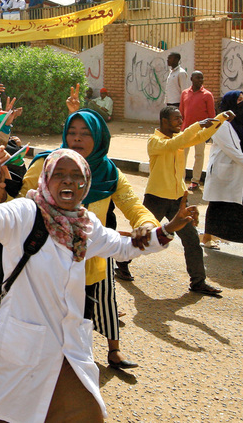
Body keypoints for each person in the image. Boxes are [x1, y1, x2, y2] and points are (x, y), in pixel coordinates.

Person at [0, 146, 194, 422]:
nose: (68, 181)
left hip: (67, 347)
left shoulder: (86, 225)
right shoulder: (26, 212)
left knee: (85, 413)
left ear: (86, 182)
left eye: (76, 175)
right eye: (59, 174)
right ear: (46, 179)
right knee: (8, 416)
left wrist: (167, 230)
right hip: (26, 343)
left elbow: (122, 247)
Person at [21, 105, 159, 369]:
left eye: (85, 133)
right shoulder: (45, 164)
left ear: (99, 137)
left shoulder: (110, 173)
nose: (76, 139)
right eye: (72, 132)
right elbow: (18, 204)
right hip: (42, 268)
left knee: (75, 336)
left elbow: (133, 206)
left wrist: (146, 225)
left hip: (88, 270)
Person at [144, 106, 227, 296]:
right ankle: (122, 263)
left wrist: (220, 119)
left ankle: (198, 282)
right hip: (156, 198)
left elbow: (198, 137)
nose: (180, 122)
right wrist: (197, 124)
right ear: (164, 121)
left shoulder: (177, 139)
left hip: (178, 201)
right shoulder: (154, 141)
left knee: (191, 240)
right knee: (143, 236)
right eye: (176, 119)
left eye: (181, 119)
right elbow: (177, 142)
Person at [202, 91, 243, 278]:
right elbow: (232, 151)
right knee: (218, 205)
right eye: (237, 100)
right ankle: (207, 237)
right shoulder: (219, 125)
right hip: (224, 172)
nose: (241, 104)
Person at [179, 71, 215, 191]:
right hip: (185, 131)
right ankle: (180, 180)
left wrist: (210, 132)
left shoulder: (207, 95)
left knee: (199, 156)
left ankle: (195, 181)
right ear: (191, 79)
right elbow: (181, 113)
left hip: (201, 132)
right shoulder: (184, 93)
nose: (200, 80)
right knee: (181, 156)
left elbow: (212, 116)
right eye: (198, 78)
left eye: (202, 78)